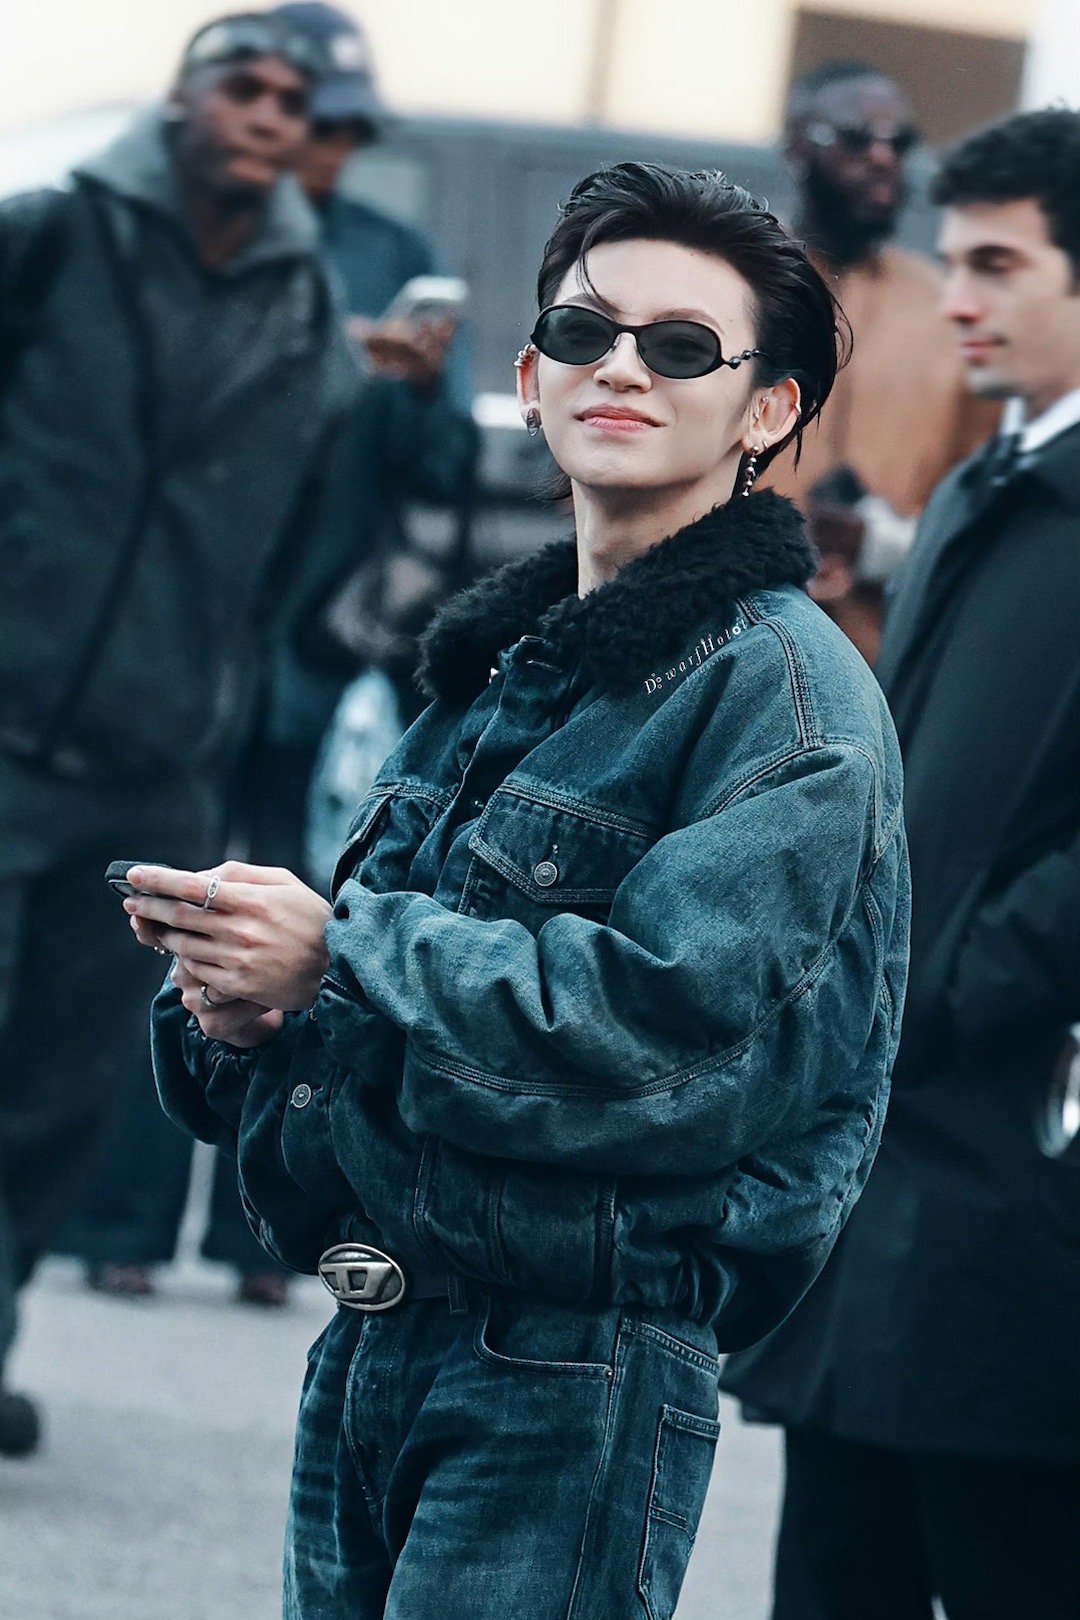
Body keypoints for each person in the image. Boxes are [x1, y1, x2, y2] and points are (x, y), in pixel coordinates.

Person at [125, 163, 908, 1618]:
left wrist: (340, 956)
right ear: (532, 375)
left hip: (572, 1370)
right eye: (584, 331)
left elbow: (678, 1051)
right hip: (375, 1333)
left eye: (683, 346)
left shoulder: (789, 698)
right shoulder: (501, 668)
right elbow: (370, 1007)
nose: (622, 367)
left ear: (767, 411)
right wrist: (243, 1007)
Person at [721, 108, 1080, 1620]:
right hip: (887, 1153)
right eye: (953, 261)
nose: (957, 298)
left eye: (997, 264)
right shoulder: (996, 485)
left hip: (1013, 1157)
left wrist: (951, 989)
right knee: (835, 1565)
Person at [0, 11, 357, 1452]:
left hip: (155, 761)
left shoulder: (310, 309)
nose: (268, 113)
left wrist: (216, 692)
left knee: (58, 1093)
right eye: (241, 85)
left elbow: (301, 548)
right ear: (181, 100)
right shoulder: (47, 237)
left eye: (291, 97)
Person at [243, 0, 479, 879]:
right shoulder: (199, 246)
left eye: (353, 128)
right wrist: (329, 352)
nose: (335, 146)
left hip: (318, 636)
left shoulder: (395, 253)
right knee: (142, 875)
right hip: (178, 637)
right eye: (322, 123)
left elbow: (445, 463)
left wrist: (421, 386)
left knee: (284, 880)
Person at [764, 61, 997, 662]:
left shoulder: (953, 310)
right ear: (796, 146)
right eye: (855, 138)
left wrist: (877, 545)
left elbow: (984, 516)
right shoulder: (736, 284)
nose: (881, 158)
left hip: (883, 656)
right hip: (721, 636)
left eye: (900, 143)